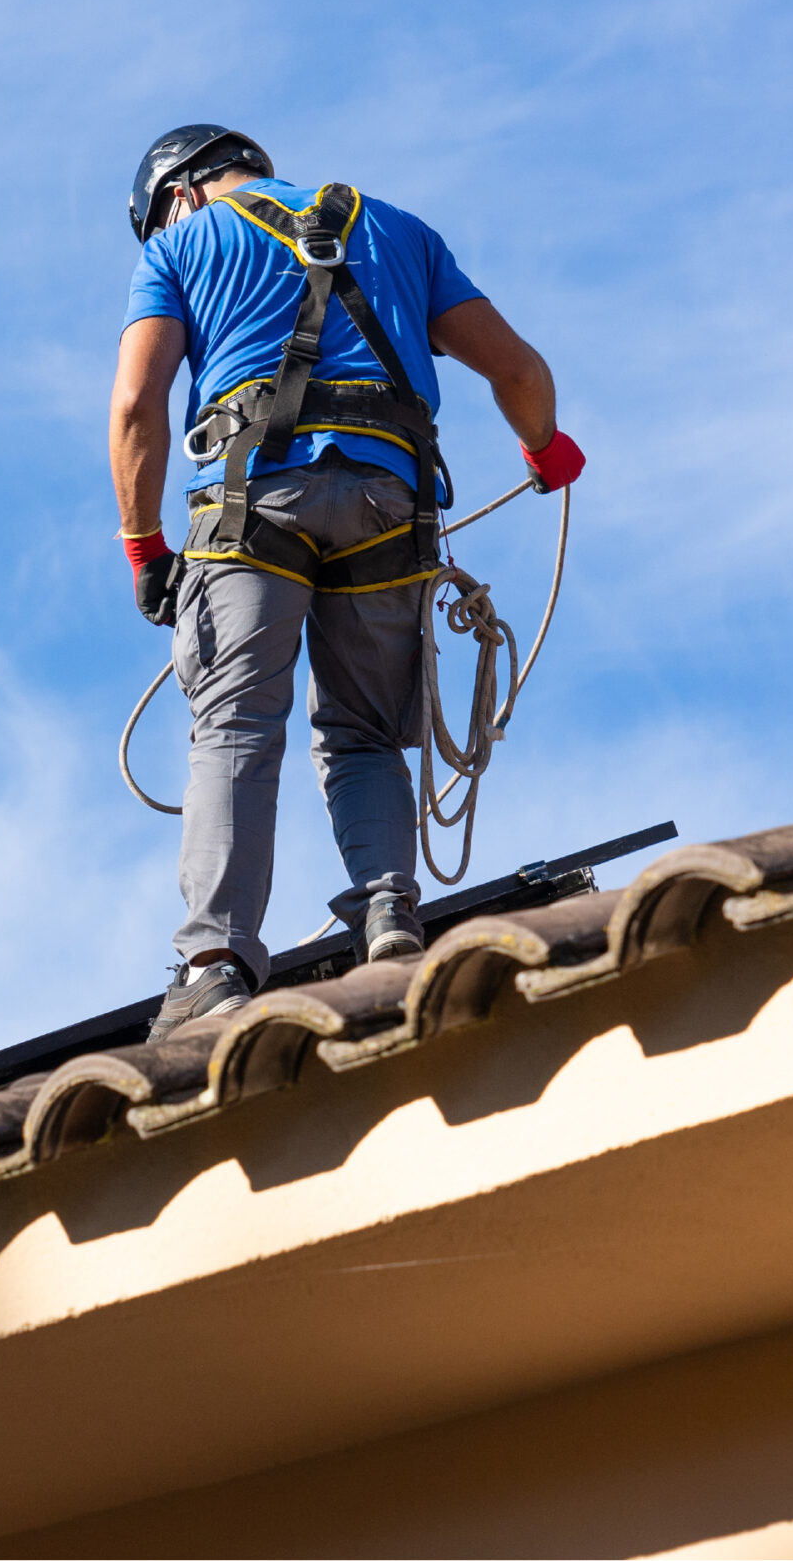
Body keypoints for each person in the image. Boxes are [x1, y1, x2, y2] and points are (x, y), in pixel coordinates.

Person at [109, 125, 585, 1039]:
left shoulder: (181, 245)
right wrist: (544, 446)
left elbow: (138, 403)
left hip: (255, 507)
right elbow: (519, 369)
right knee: (364, 733)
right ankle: (390, 918)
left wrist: (145, 547)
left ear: (177, 194)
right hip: (388, 508)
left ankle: (214, 966)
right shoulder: (401, 230)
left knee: (236, 722)